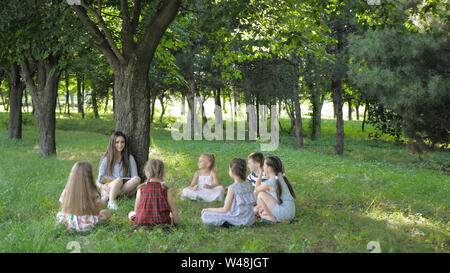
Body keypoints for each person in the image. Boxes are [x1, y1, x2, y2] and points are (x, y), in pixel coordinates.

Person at [201, 158, 256, 227]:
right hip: (249, 220)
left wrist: (208, 209)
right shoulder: (248, 185)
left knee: (205, 215)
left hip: (237, 219)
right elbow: (240, 188)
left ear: (232, 171)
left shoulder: (232, 188)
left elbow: (225, 209)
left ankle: (229, 223)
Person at [57, 161, 110, 232]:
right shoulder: (93, 192)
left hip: (69, 221)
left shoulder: (67, 191)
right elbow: (98, 208)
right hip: (86, 222)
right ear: (90, 177)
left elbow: (62, 204)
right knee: (106, 212)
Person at [128, 159, 179, 228]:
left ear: (146, 172)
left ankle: (143, 228)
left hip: (142, 222)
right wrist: (175, 222)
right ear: (163, 173)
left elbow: (136, 211)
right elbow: (175, 212)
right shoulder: (165, 190)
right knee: (171, 215)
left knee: (131, 213)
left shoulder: (141, 189)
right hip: (162, 223)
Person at [97, 131, 141, 210]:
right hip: (109, 186)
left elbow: (135, 177)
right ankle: (111, 201)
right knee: (118, 180)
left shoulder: (129, 158)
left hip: (124, 185)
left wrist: (125, 180)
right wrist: (102, 186)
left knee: (137, 179)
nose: (120, 145)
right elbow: (98, 181)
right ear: (112, 143)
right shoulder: (106, 158)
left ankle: (110, 196)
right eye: (117, 142)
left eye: (122, 142)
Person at [253, 156, 296, 223]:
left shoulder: (270, 182)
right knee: (257, 208)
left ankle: (271, 218)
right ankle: (268, 215)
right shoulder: (280, 177)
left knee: (261, 194)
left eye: (264, 165)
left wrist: (260, 174)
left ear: (269, 169)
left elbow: (256, 190)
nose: (263, 167)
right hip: (290, 212)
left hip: (284, 212)